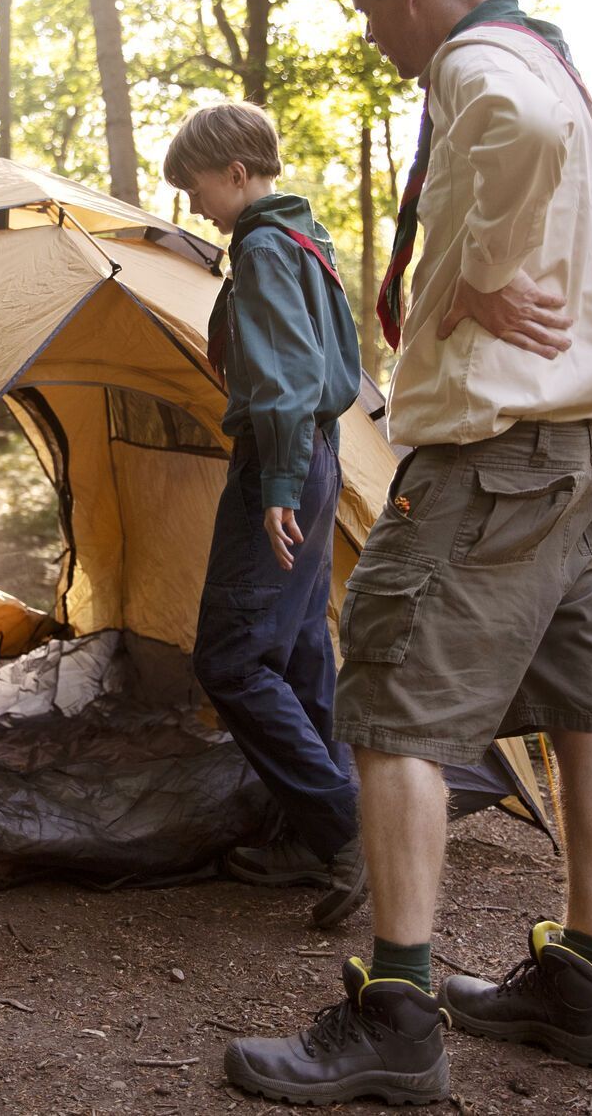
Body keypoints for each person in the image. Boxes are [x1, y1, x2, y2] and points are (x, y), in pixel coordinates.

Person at [223, 0, 592, 1107]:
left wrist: (481, 278)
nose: (376, 35)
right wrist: (569, 294)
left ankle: (396, 1013)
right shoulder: (558, 67)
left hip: (484, 461)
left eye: (369, 10)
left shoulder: (480, 61)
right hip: (566, 451)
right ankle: (583, 980)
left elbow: (516, 135)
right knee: (582, 707)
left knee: (386, 710)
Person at [163, 102, 367, 931]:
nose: (193, 205)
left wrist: (278, 480)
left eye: (198, 187)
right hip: (319, 455)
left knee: (234, 662)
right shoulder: (305, 241)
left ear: (238, 174)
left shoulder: (265, 250)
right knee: (298, 647)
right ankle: (314, 833)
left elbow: (285, 372)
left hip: (284, 460)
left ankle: (348, 829)